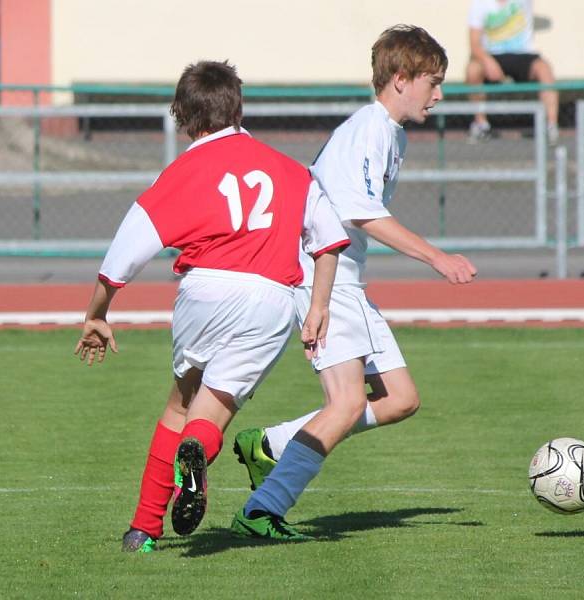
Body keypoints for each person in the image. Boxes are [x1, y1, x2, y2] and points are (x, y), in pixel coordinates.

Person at [73, 60, 349, 553]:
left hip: (203, 290)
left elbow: (123, 254)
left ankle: (142, 529)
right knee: (210, 414)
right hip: (268, 297)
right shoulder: (289, 170)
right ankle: (196, 453)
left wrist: (98, 312)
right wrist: (319, 308)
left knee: (180, 402)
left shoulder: (184, 170)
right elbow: (329, 242)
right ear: (237, 108)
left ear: (183, 116)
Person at [229, 24, 477, 541]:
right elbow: (360, 212)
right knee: (344, 403)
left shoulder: (391, 132)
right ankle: (262, 509)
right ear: (401, 78)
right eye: (433, 82)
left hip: (347, 280)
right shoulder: (369, 128)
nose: (440, 94)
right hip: (327, 277)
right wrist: (436, 257)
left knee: (401, 398)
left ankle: (272, 444)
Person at [464, 0, 559, 144]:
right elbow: (474, 44)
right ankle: (481, 125)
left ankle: (550, 126)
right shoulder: (480, 4)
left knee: (545, 70)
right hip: (492, 55)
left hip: (523, 55)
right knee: (473, 70)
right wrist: (488, 62)